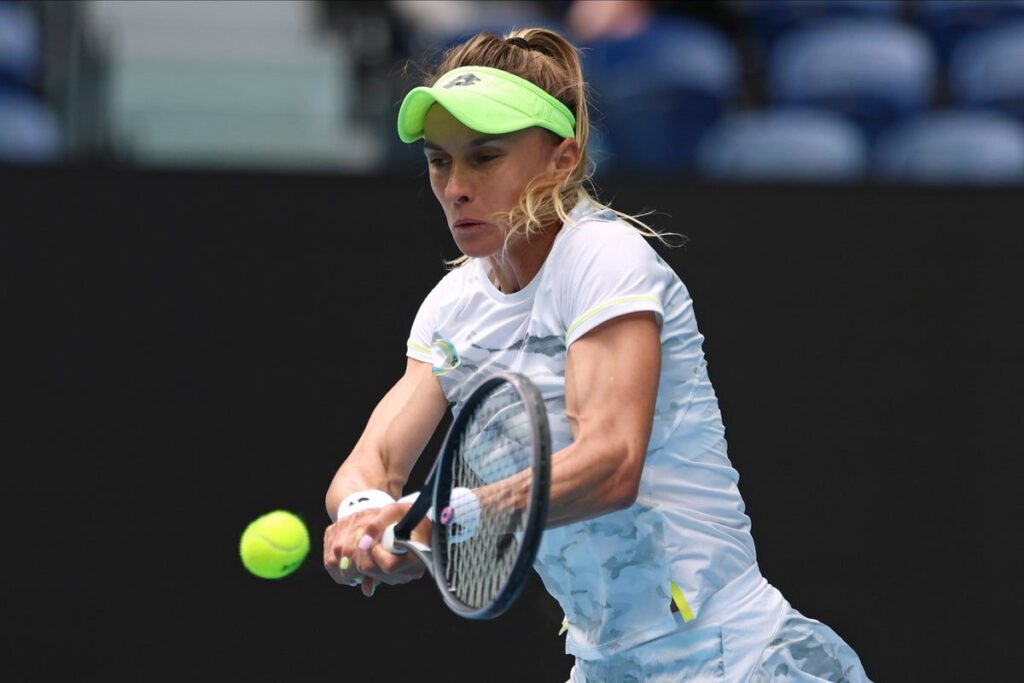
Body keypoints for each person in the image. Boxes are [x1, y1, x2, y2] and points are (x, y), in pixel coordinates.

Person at [322, 27, 872, 683]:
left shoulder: (605, 259)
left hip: (738, 658)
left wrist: (445, 517)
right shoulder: (452, 307)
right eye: (440, 160)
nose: (456, 186)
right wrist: (362, 522)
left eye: (485, 157)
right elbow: (376, 462)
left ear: (561, 158)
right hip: (606, 666)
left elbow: (611, 464)